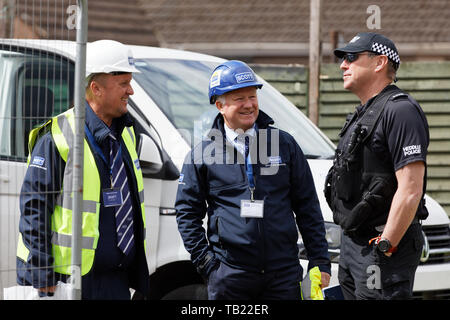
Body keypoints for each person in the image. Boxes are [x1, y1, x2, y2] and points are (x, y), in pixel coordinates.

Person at [175, 60, 331, 300]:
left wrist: (320, 261)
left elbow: (307, 206)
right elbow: (187, 212)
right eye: (239, 99)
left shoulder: (284, 144)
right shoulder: (201, 155)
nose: (249, 105)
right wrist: (207, 264)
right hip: (231, 277)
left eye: (252, 96)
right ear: (220, 105)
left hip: (284, 275)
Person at [16, 40, 149, 299]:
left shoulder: (126, 134)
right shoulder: (57, 137)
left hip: (116, 279)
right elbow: (34, 208)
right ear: (96, 88)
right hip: (66, 281)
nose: (130, 91)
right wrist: (42, 273)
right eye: (123, 83)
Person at [324, 32, 429, 299]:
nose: (342, 65)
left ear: (380, 62)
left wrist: (386, 245)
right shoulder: (364, 114)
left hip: (380, 247)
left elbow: (411, 188)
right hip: (353, 245)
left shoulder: (400, 111)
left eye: (351, 57)